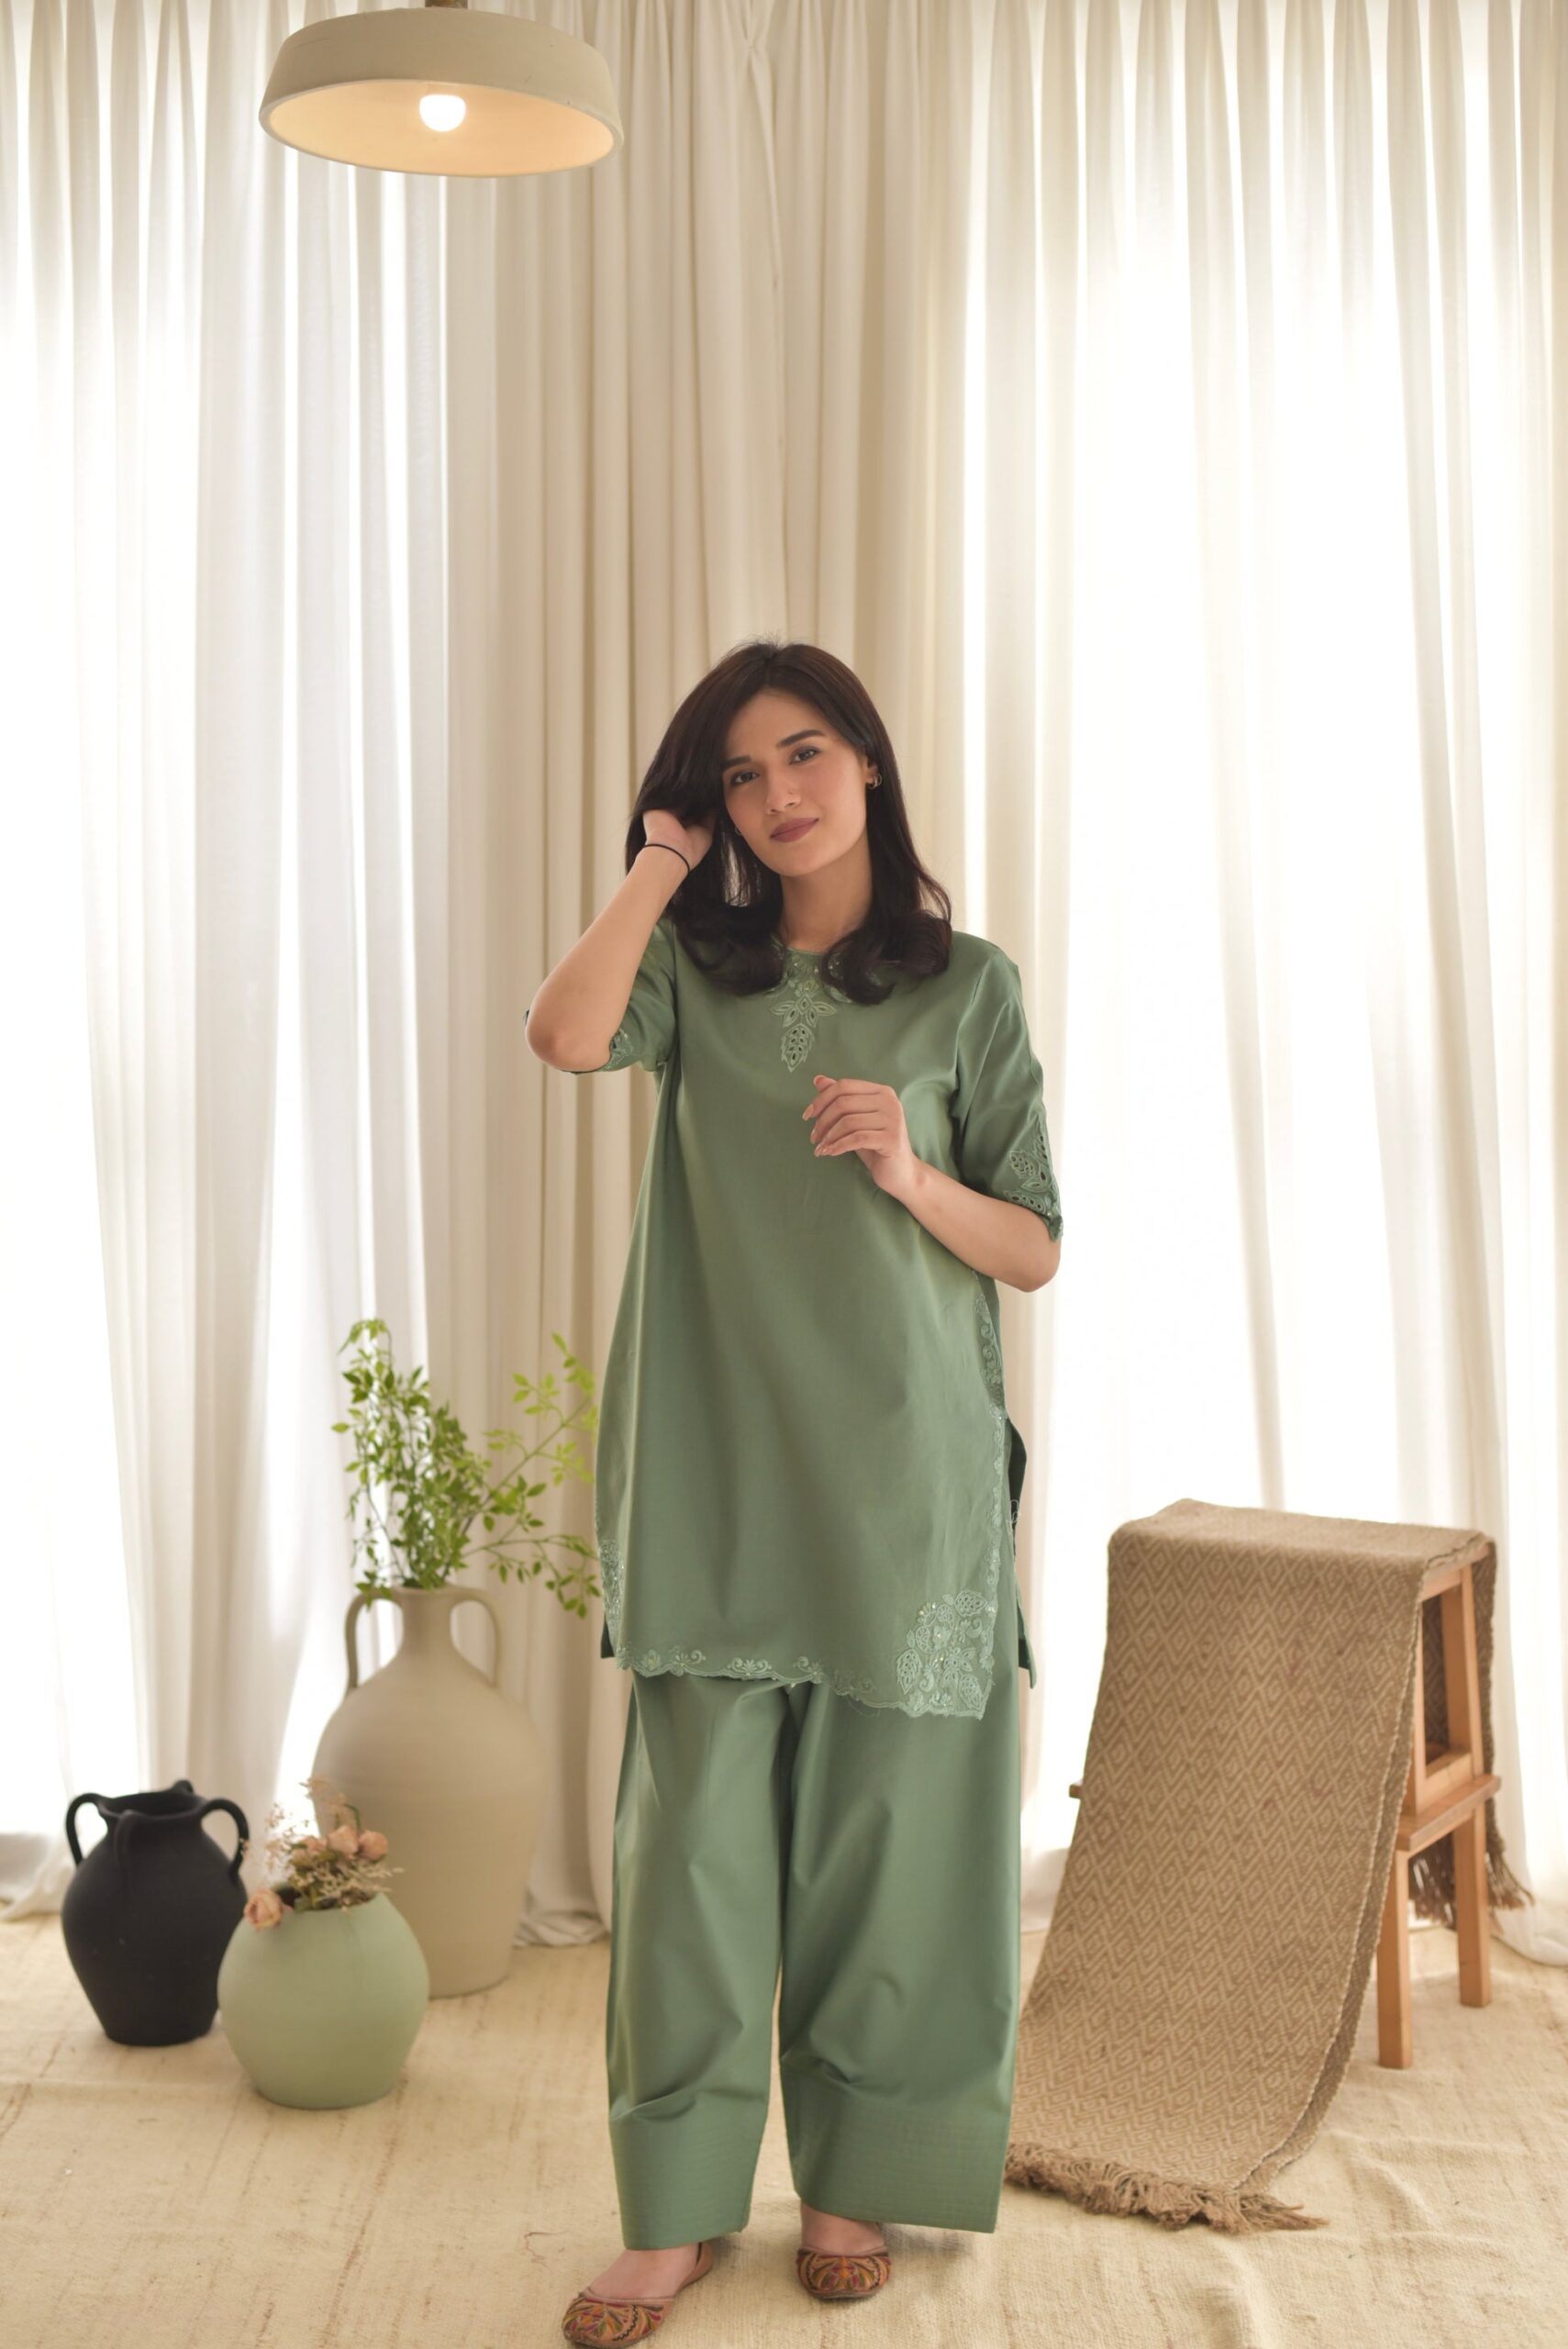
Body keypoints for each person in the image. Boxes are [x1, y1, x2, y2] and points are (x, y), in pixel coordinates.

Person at [525, 639, 1062, 2343]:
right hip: (716, 1477)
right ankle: (677, 2212)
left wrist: (908, 1169)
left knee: (891, 1857)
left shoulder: (969, 987)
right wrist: (657, 861)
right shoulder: (694, 968)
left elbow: (1032, 1245)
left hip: (903, 1484)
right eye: (741, 775)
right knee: (686, 1865)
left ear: (869, 761)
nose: (779, 795)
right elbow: (562, 1032)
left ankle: (852, 2183)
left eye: (806, 753)